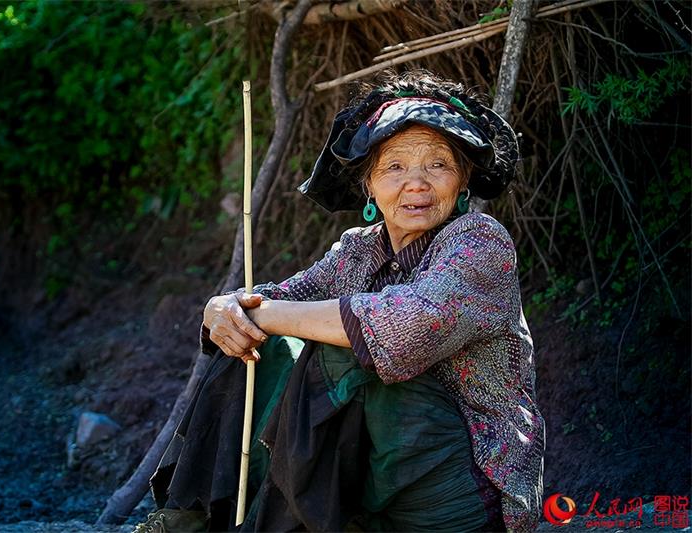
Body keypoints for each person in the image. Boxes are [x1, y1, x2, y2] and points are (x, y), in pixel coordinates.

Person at [139, 70, 545, 533]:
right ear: (369, 184)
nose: (416, 183)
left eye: (438, 165)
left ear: (462, 181)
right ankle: (188, 518)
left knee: (339, 344)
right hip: (377, 489)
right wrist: (224, 309)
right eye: (395, 166)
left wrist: (265, 314)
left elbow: (403, 328)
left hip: (465, 494)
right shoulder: (358, 248)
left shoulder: (479, 241)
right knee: (253, 340)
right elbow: (278, 299)